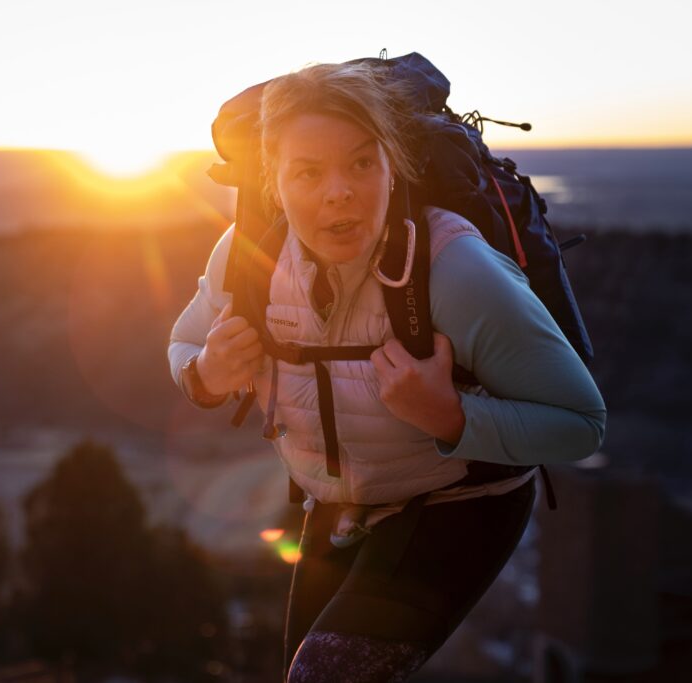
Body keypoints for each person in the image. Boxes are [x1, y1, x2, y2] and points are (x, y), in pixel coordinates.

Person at [168, 61, 606, 682]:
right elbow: (183, 345)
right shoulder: (250, 258)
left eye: (361, 163)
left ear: (392, 165)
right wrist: (208, 372)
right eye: (308, 172)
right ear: (274, 181)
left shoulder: (454, 271)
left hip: (461, 502)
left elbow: (583, 424)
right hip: (338, 508)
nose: (338, 191)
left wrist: (451, 416)